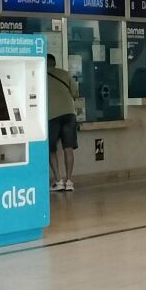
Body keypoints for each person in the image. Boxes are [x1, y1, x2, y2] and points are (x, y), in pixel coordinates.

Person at [45, 53, 80, 192]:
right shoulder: (65, 74)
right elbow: (76, 93)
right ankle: (69, 180)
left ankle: (58, 180)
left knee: (51, 149)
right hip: (69, 114)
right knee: (68, 148)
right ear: (54, 63)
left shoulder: (40, 75)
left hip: (51, 116)